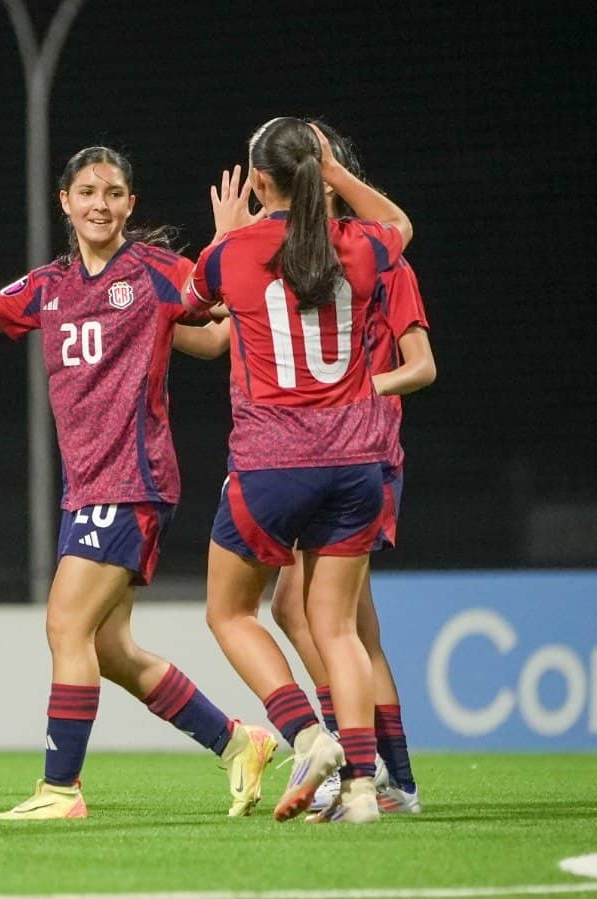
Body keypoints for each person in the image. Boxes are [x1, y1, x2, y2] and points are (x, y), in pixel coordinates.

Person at [0, 146, 277, 822]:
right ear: (65, 203)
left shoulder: (156, 272)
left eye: (113, 192)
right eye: (87, 191)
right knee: (108, 647)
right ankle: (236, 740)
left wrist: (231, 243)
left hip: (132, 478)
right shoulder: (49, 286)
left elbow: (220, 326)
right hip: (87, 488)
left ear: (130, 205)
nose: (100, 203)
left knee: (63, 623)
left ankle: (61, 789)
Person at [173, 124, 432, 817]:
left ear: (259, 182)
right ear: (320, 175)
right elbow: (399, 224)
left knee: (229, 610)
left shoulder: (234, 251)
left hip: (272, 464)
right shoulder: (362, 247)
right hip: (353, 464)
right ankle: (360, 789)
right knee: (337, 626)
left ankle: (307, 732)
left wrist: (225, 233)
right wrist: (334, 179)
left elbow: (187, 301)